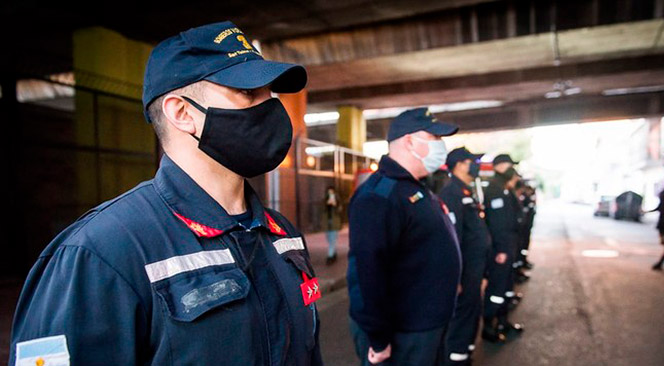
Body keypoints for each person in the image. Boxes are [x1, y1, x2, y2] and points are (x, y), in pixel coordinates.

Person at [9, 21, 323, 366]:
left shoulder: (284, 237)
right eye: (248, 93)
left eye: (270, 93)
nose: (271, 107)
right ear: (182, 112)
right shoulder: (101, 254)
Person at [347, 107, 461, 366]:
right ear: (410, 141)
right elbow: (368, 272)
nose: (440, 146)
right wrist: (378, 338)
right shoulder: (379, 196)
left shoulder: (413, 187)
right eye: (434, 139)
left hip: (427, 326)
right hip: (404, 333)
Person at [439, 147, 492, 365]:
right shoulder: (451, 193)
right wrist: (457, 277)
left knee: (472, 311)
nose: (475, 164)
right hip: (465, 269)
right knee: (461, 317)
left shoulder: (466, 191)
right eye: (472, 160)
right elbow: (453, 239)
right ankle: (455, 359)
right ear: (460, 164)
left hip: (474, 268)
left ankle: (465, 354)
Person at [481, 155, 525, 343]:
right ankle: (489, 326)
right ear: (499, 166)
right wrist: (500, 249)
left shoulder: (504, 187)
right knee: (496, 288)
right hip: (501, 248)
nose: (511, 169)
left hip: (509, 244)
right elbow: (497, 224)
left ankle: (503, 321)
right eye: (509, 165)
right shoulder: (494, 188)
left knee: (506, 287)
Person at [325, 186, 342, 264]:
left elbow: (340, 210)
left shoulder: (337, 201)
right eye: (329, 192)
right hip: (327, 222)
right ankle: (333, 253)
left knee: (332, 239)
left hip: (334, 222)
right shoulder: (325, 200)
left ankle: (330, 256)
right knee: (329, 238)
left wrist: (335, 205)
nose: (330, 193)